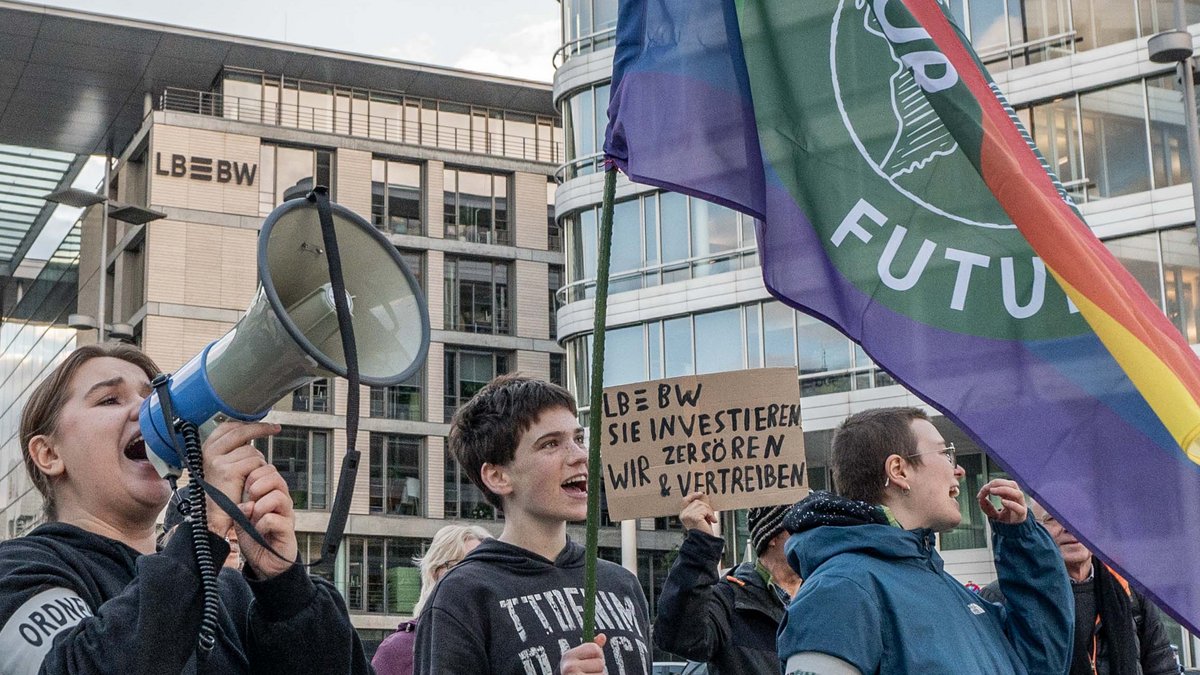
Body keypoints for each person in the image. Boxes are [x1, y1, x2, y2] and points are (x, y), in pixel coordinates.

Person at [0, 343, 371, 675]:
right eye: (109, 399)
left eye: (153, 398)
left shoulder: (229, 591)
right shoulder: (20, 572)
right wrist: (202, 534)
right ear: (48, 454)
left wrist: (285, 589)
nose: (147, 410)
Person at [776, 407, 1073, 675]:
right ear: (899, 471)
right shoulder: (840, 590)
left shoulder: (945, 588)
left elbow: (1041, 661)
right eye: (945, 453)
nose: (959, 470)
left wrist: (1021, 541)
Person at [414, 374, 651, 675]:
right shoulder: (463, 595)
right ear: (498, 477)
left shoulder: (622, 584)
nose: (580, 455)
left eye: (578, 439)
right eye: (550, 444)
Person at [980, 502, 1179, 675]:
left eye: (1081, 517)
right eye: (1053, 518)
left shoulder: (1130, 591)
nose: (1069, 526)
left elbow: (1163, 668)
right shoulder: (1003, 597)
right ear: (1035, 530)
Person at [654, 494, 799, 674]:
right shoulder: (729, 600)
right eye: (802, 528)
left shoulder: (821, 596)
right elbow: (678, 638)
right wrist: (700, 543)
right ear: (772, 537)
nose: (812, 537)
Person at [372, 524, 493, 675]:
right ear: (434, 573)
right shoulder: (398, 651)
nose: (473, 577)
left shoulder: (507, 646)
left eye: (483, 568)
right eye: (460, 566)